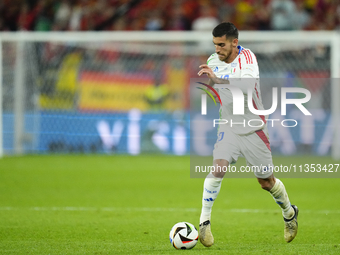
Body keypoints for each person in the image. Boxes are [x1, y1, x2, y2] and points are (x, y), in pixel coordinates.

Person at [197, 22, 298, 247]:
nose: (217, 49)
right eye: (215, 45)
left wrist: (217, 80)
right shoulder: (214, 61)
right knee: (218, 168)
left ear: (235, 42)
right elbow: (217, 91)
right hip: (229, 126)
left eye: (221, 45)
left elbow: (245, 87)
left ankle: (289, 213)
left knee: (266, 182)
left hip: (254, 128)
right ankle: (204, 223)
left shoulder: (248, 58)